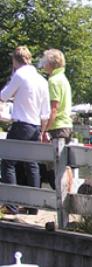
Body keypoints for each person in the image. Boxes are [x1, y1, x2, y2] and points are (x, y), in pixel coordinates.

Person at [0, 46, 50, 215]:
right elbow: (46, 113)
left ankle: (11, 205)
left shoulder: (19, 75)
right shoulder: (42, 80)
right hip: (35, 127)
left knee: (7, 163)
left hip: (21, 125)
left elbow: (4, 96)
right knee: (32, 164)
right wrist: (43, 132)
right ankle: (33, 206)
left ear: (15, 60)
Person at [40, 49, 73, 143]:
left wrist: (44, 130)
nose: (43, 65)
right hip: (66, 126)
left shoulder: (53, 81)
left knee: (53, 157)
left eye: (45, 62)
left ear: (51, 63)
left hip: (57, 128)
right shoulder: (63, 79)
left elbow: (54, 109)